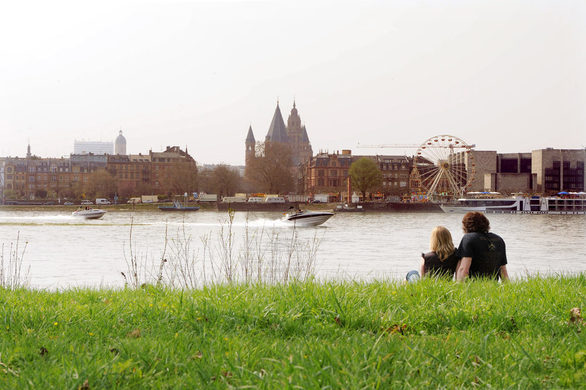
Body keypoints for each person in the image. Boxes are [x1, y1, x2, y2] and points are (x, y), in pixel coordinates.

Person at [455, 212, 509, 282]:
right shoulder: (499, 240)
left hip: (473, 287)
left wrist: (459, 288)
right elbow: (503, 271)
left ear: (466, 225)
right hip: (493, 287)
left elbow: (463, 269)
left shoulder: (468, 238)